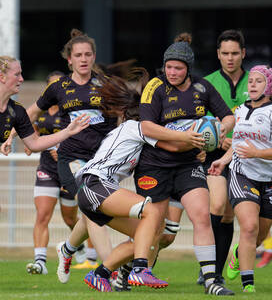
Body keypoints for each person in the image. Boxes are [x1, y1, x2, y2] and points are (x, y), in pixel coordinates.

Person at [56, 68, 205, 292]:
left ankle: (100, 273)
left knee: (149, 232)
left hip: (95, 190)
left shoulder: (132, 132)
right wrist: (197, 140)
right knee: (152, 212)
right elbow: (172, 144)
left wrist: (195, 149)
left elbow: (170, 148)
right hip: (95, 183)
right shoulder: (137, 128)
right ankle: (140, 270)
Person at [0, 56, 89, 291]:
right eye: (18, 74)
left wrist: (68, 132)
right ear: (2, 77)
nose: (22, 79)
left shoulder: (17, 112)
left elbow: (35, 143)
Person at [1, 29, 118, 275]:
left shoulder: (107, 85)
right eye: (78, 55)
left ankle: (67, 249)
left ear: (94, 56)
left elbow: (122, 117)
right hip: (72, 157)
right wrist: (12, 136)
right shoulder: (60, 87)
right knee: (91, 207)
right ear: (70, 60)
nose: (84, 59)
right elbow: (30, 112)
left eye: (88, 54)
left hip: (101, 159)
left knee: (93, 210)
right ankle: (109, 270)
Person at [133, 33, 235, 295]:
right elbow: (146, 126)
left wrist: (219, 131)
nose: (172, 72)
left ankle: (212, 280)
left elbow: (227, 116)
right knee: (155, 227)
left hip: (188, 163)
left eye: (178, 68)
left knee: (202, 214)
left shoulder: (202, 88)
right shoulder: (155, 87)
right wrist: (184, 136)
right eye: (169, 67)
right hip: (154, 165)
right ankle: (128, 269)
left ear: (188, 68)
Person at [208, 65, 272, 293]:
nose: (252, 84)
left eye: (259, 81)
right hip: (242, 172)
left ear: (269, 86)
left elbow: (256, 149)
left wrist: (258, 153)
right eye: (251, 81)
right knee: (249, 226)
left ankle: (237, 253)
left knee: (259, 235)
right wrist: (224, 161)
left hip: (269, 180)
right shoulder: (239, 111)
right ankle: (248, 286)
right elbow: (237, 144)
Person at [194, 29, 249, 285]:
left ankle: (214, 270)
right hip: (216, 155)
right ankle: (211, 269)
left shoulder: (256, 81)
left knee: (230, 216)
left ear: (243, 54)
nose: (230, 58)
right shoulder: (206, 83)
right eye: (225, 53)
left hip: (247, 157)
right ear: (218, 54)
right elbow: (198, 122)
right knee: (216, 206)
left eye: (235, 53)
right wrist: (215, 137)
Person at [25, 71, 87, 275]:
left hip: (68, 169)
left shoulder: (70, 109)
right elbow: (31, 126)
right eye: (52, 86)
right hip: (46, 169)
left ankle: (79, 248)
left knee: (70, 219)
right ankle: (40, 262)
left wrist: (61, 148)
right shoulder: (41, 110)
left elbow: (83, 134)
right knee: (42, 215)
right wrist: (31, 142)